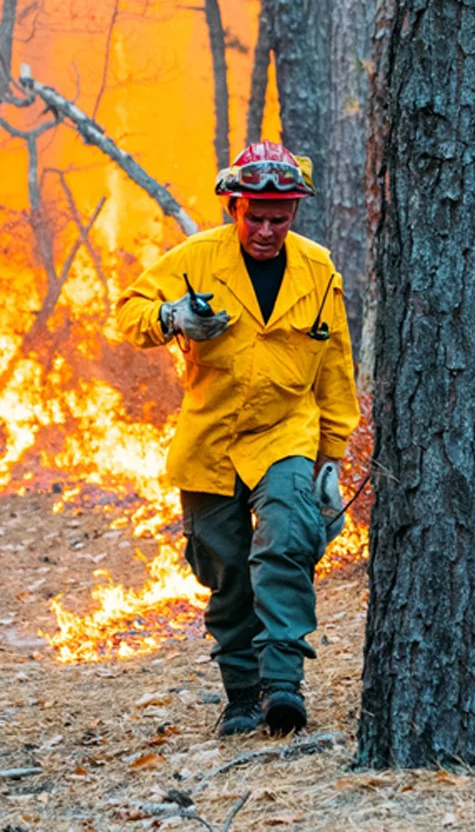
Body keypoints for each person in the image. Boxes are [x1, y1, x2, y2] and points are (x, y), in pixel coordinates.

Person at [112, 140, 361, 735]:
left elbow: (335, 363)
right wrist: (173, 315)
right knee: (226, 572)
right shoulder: (197, 259)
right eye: (256, 216)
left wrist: (331, 454)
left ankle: (283, 686)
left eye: (280, 218)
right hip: (212, 440)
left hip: (286, 435)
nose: (268, 230)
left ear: (295, 212)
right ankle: (242, 697)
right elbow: (128, 312)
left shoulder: (317, 269)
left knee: (284, 546)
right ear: (233, 207)